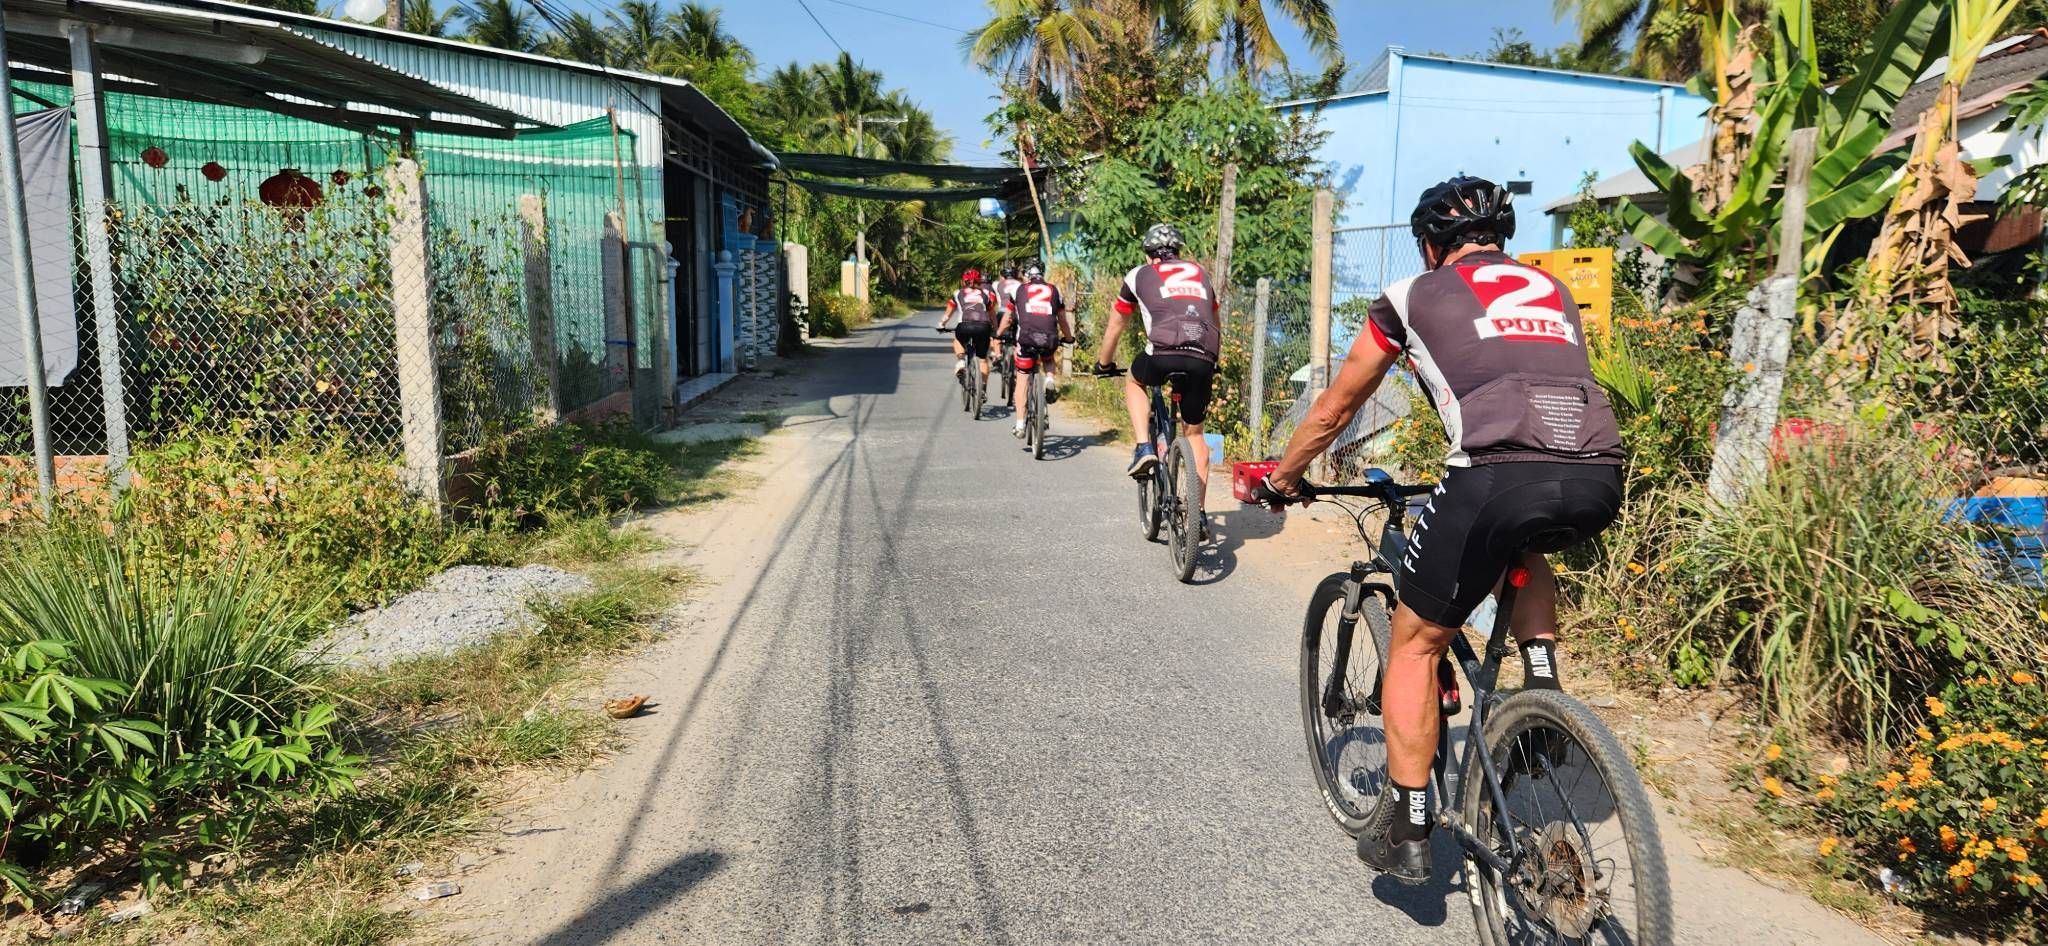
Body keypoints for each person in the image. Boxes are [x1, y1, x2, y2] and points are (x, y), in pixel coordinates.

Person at [1251, 177, 1626, 884]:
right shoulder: (1552, 290)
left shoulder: (1411, 295)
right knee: (1523, 539)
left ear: (1431, 245)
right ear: (1501, 240)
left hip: (1494, 474)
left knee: (1417, 644)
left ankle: (1410, 824)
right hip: (1598, 471)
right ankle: (1542, 695)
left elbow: (1334, 409)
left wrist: (1283, 477)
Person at [1092, 224, 1222, 508]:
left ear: (1149, 255)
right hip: (1204, 354)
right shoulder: (1201, 273)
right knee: (1196, 434)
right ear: (1178, 252)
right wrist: (1215, 360)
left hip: (1163, 353)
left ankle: (1143, 447)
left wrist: (1104, 363)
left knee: (1134, 379)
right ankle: (1197, 514)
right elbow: (1214, 318)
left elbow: (1117, 324)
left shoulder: (1138, 274)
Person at [997, 263, 1073, 439]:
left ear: (1026, 275)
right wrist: (1068, 338)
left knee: (1022, 377)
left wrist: (998, 334)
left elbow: (1008, 318)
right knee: (1048, 358)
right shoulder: (1055, 290)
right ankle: (1049, 379)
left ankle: (1020, 424)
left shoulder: (1018, 290)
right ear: (1042, 274)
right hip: (1048, 338)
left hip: (1026, 339)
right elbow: (1062, 318)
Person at [939, 269, 998, 387]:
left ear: (964, 281)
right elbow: (992, 315)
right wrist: (995, 330)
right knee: (983, 360)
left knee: (957, 338)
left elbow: (948, 313)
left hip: (964, 326)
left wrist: (941, 324)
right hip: (983, 327)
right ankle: (983, 389)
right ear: (979, 281)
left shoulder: (957, 293)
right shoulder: (985, 294)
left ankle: (961, 361)